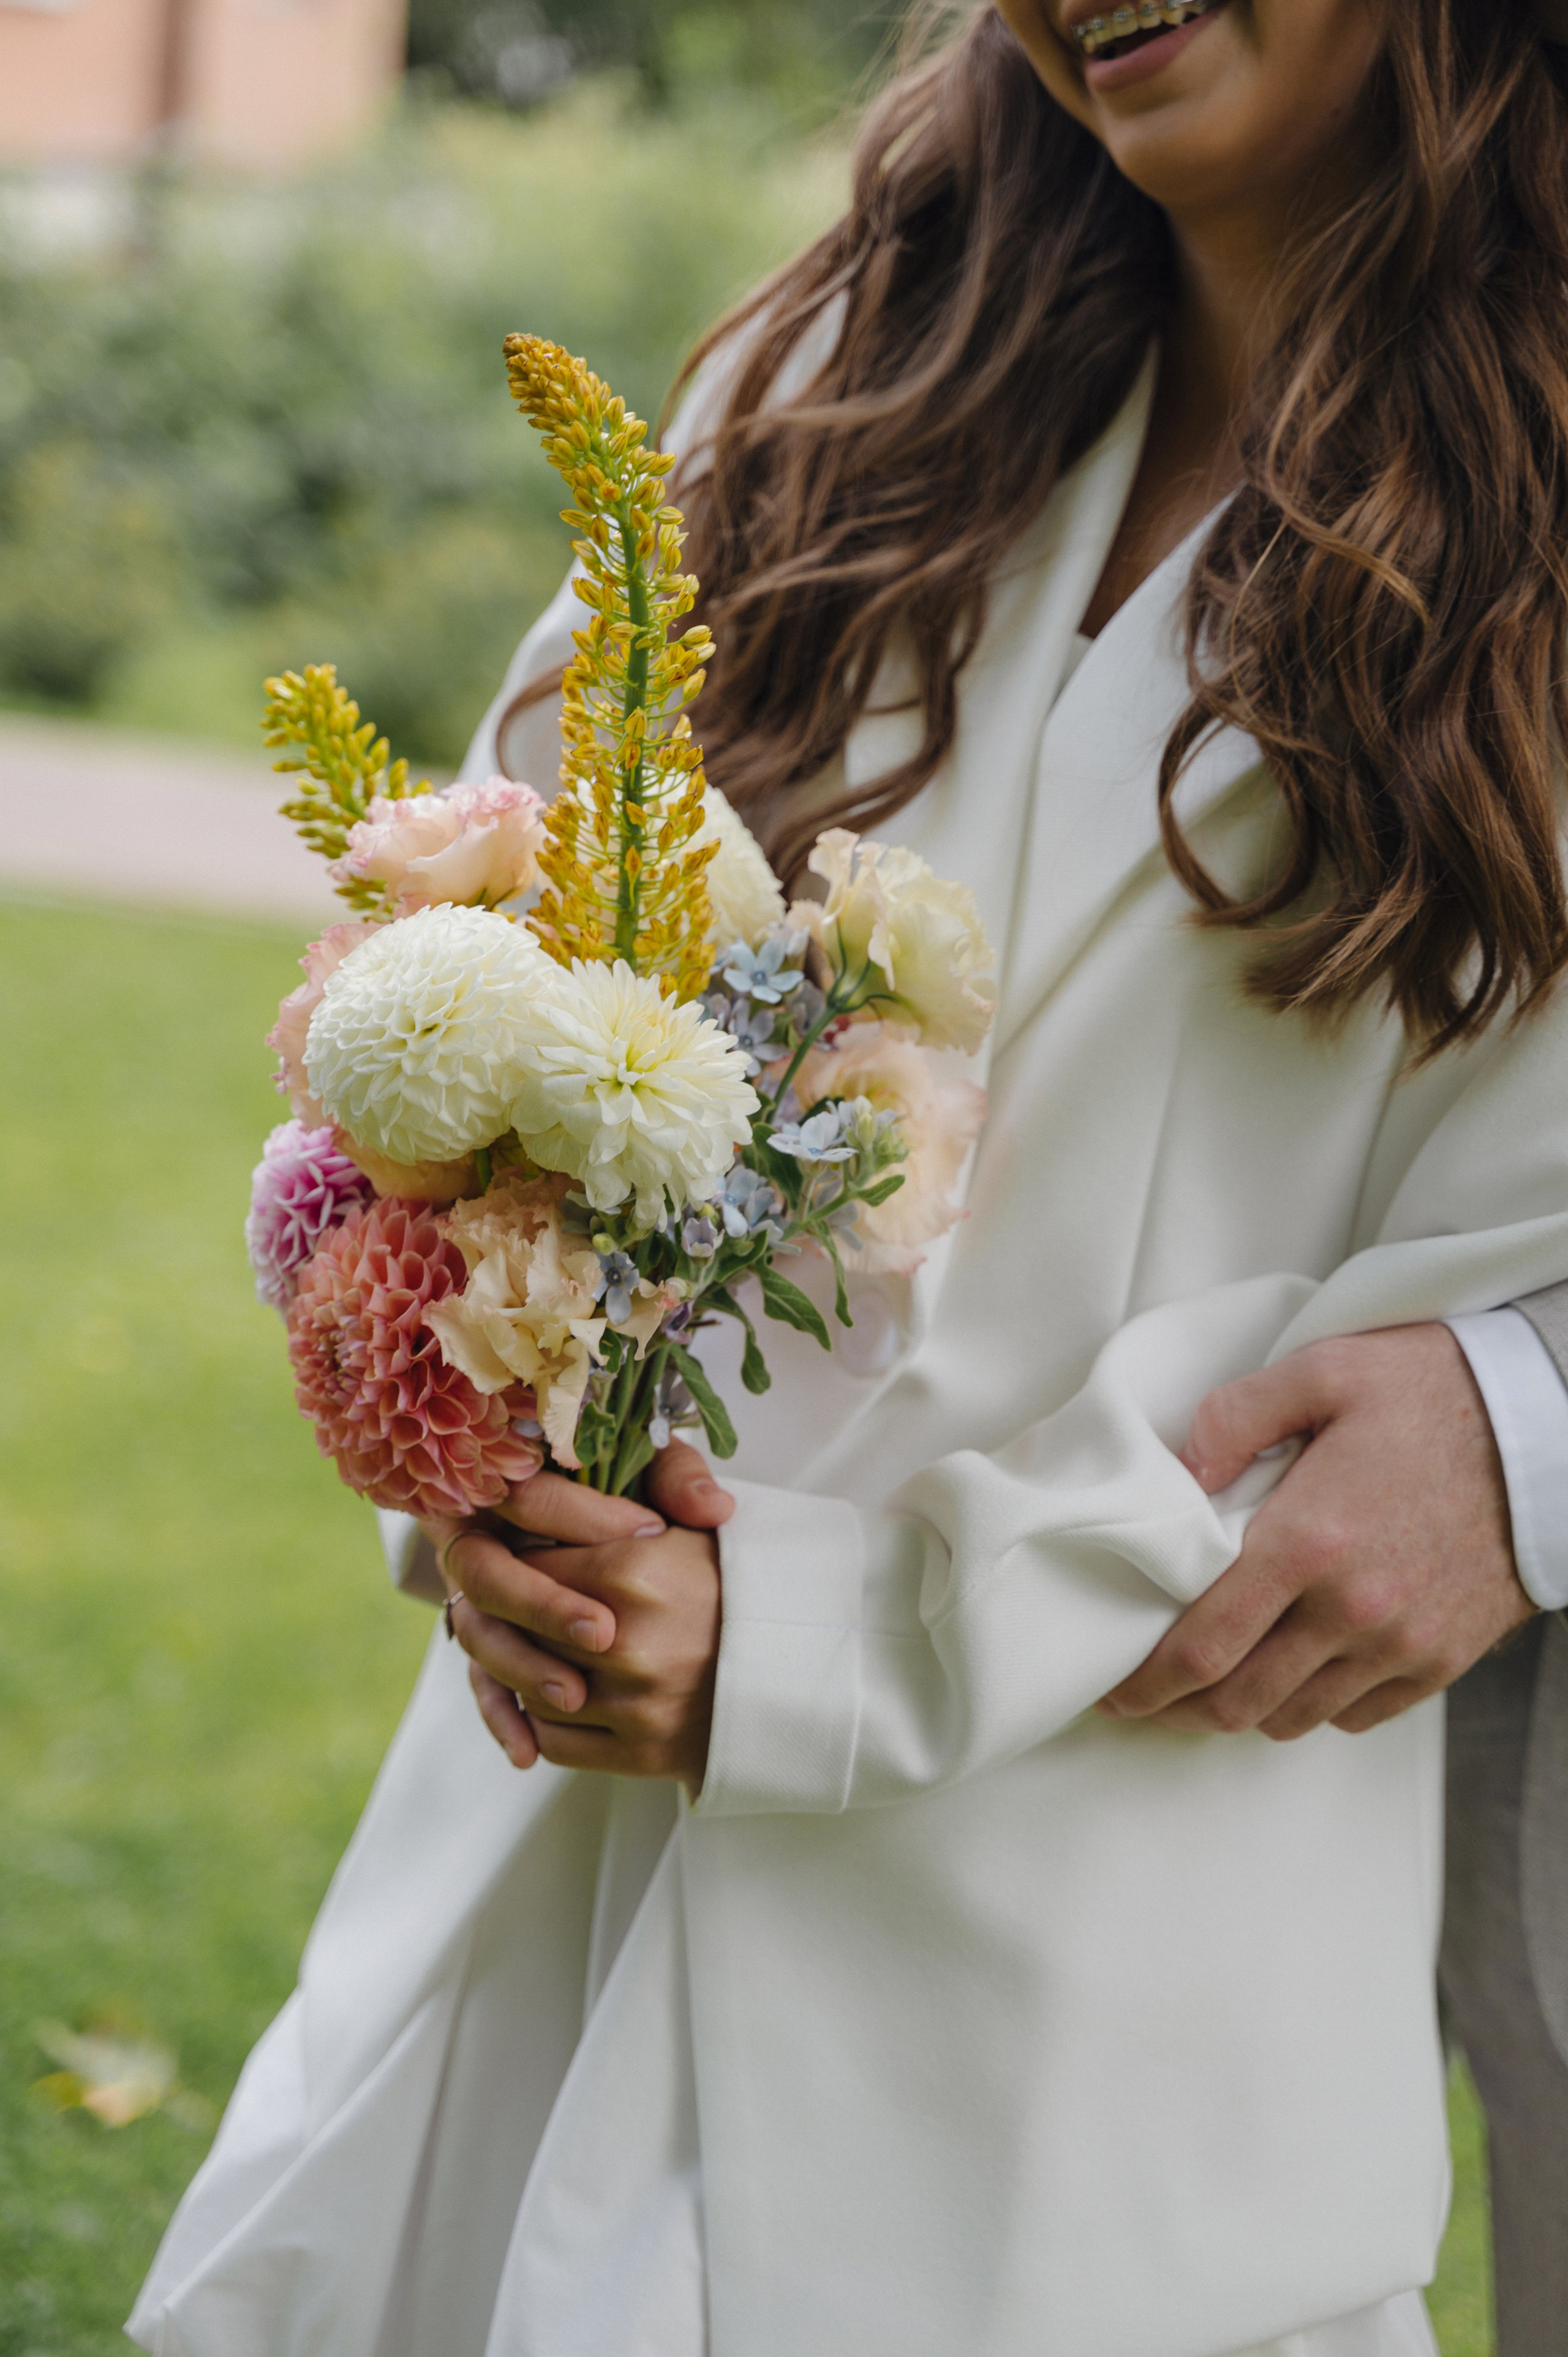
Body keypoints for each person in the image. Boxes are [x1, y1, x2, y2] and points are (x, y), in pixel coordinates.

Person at [130, 4, 1568, 2353]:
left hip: (1079, 2019)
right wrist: (509, 1508)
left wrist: (811, 1655)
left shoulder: (1529, 578)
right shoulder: (829, 409)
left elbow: (1354, 1380)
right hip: (555, 1902)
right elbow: (459, 1014)